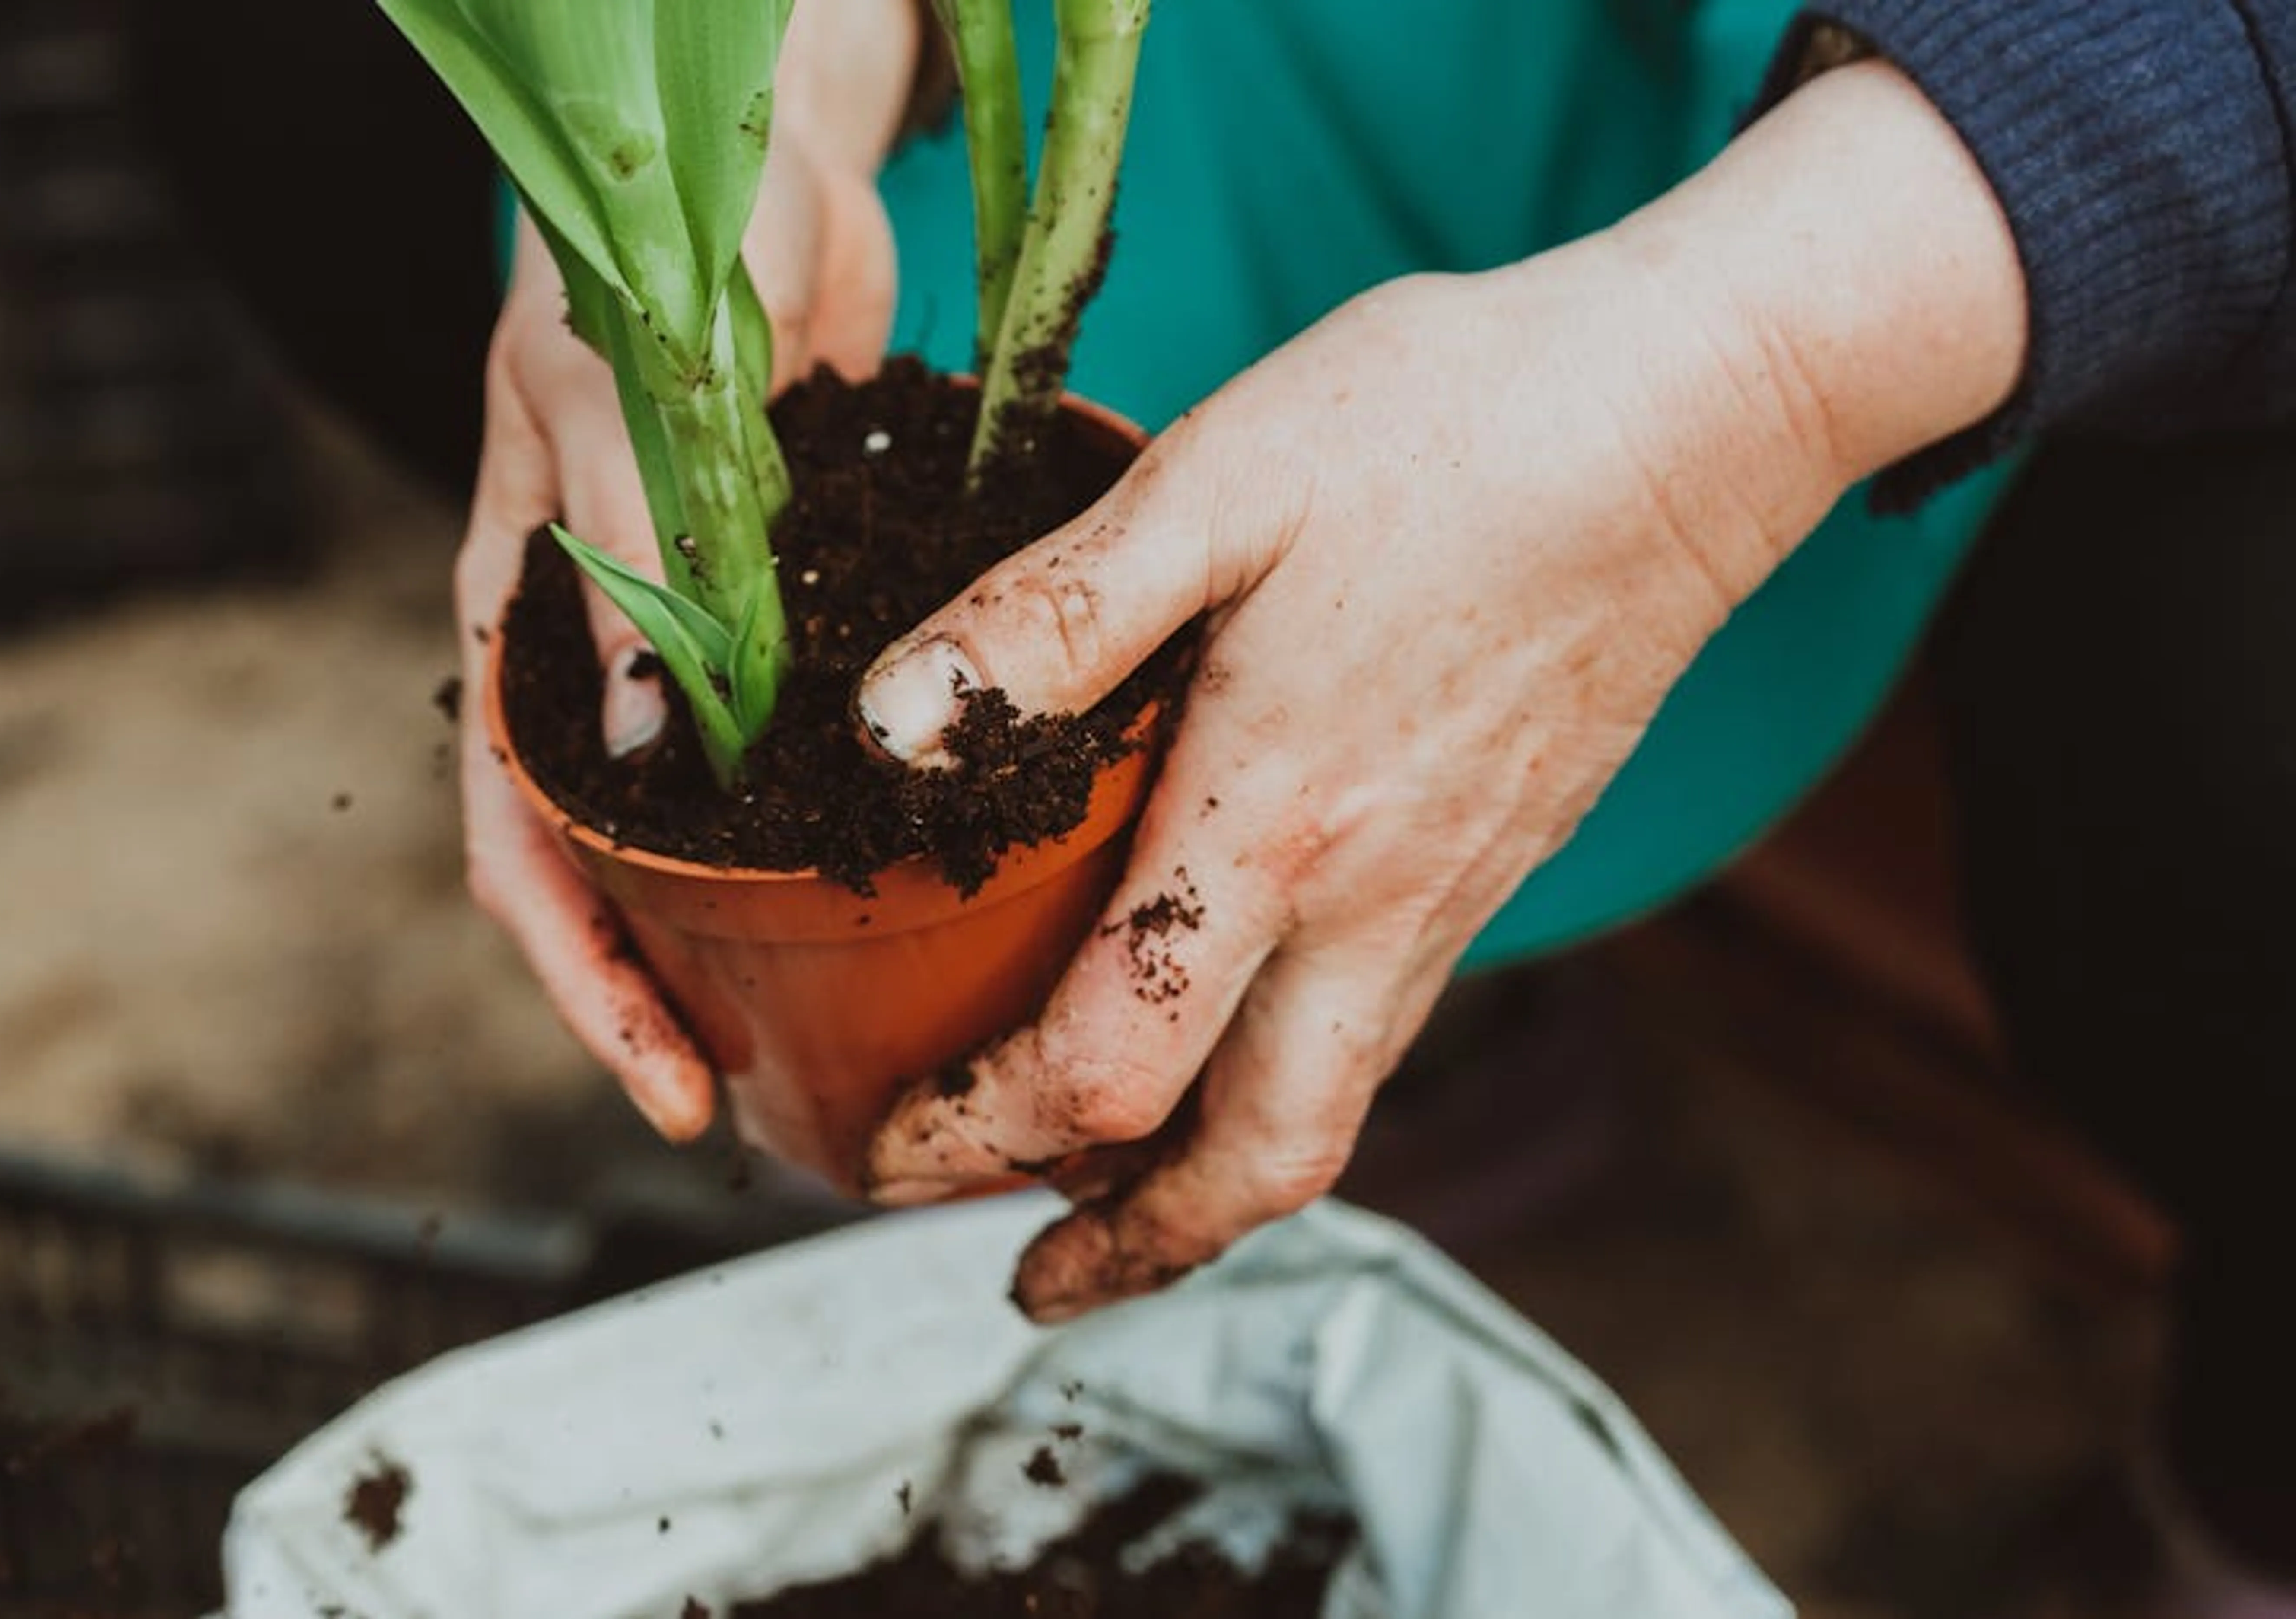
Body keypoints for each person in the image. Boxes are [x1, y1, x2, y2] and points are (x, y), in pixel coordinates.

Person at [135, 0, 2294, 1606]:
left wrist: (1752, 380)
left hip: (1933, 146)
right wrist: (744, 94)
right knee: (304, 55)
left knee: (2238, 718)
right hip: (1242, 74)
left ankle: (2245, 1504)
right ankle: (1220, 993)